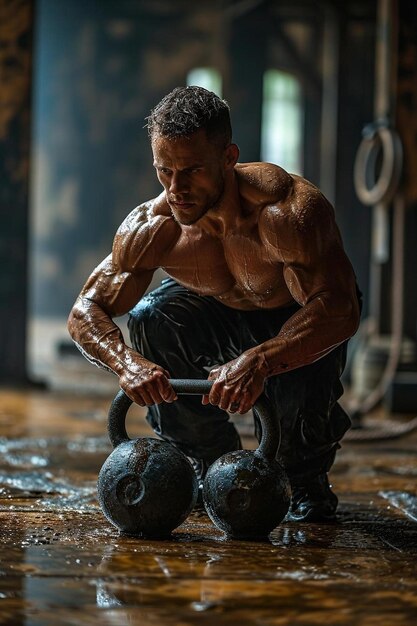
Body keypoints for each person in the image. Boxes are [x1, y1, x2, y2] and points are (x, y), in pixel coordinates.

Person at [68, 86, 361, 522]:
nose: (176, 189)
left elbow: (339, 308)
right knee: (152, 315)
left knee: (299, 481)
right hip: (216, 311)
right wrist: (126, 363)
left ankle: (302, 480)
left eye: (191, 171)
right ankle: (206, 462)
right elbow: (84, 313)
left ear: (229, 158)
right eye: (164, 171)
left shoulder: (285, 213)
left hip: (291, 318)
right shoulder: (156, 225)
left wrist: (261, 361)